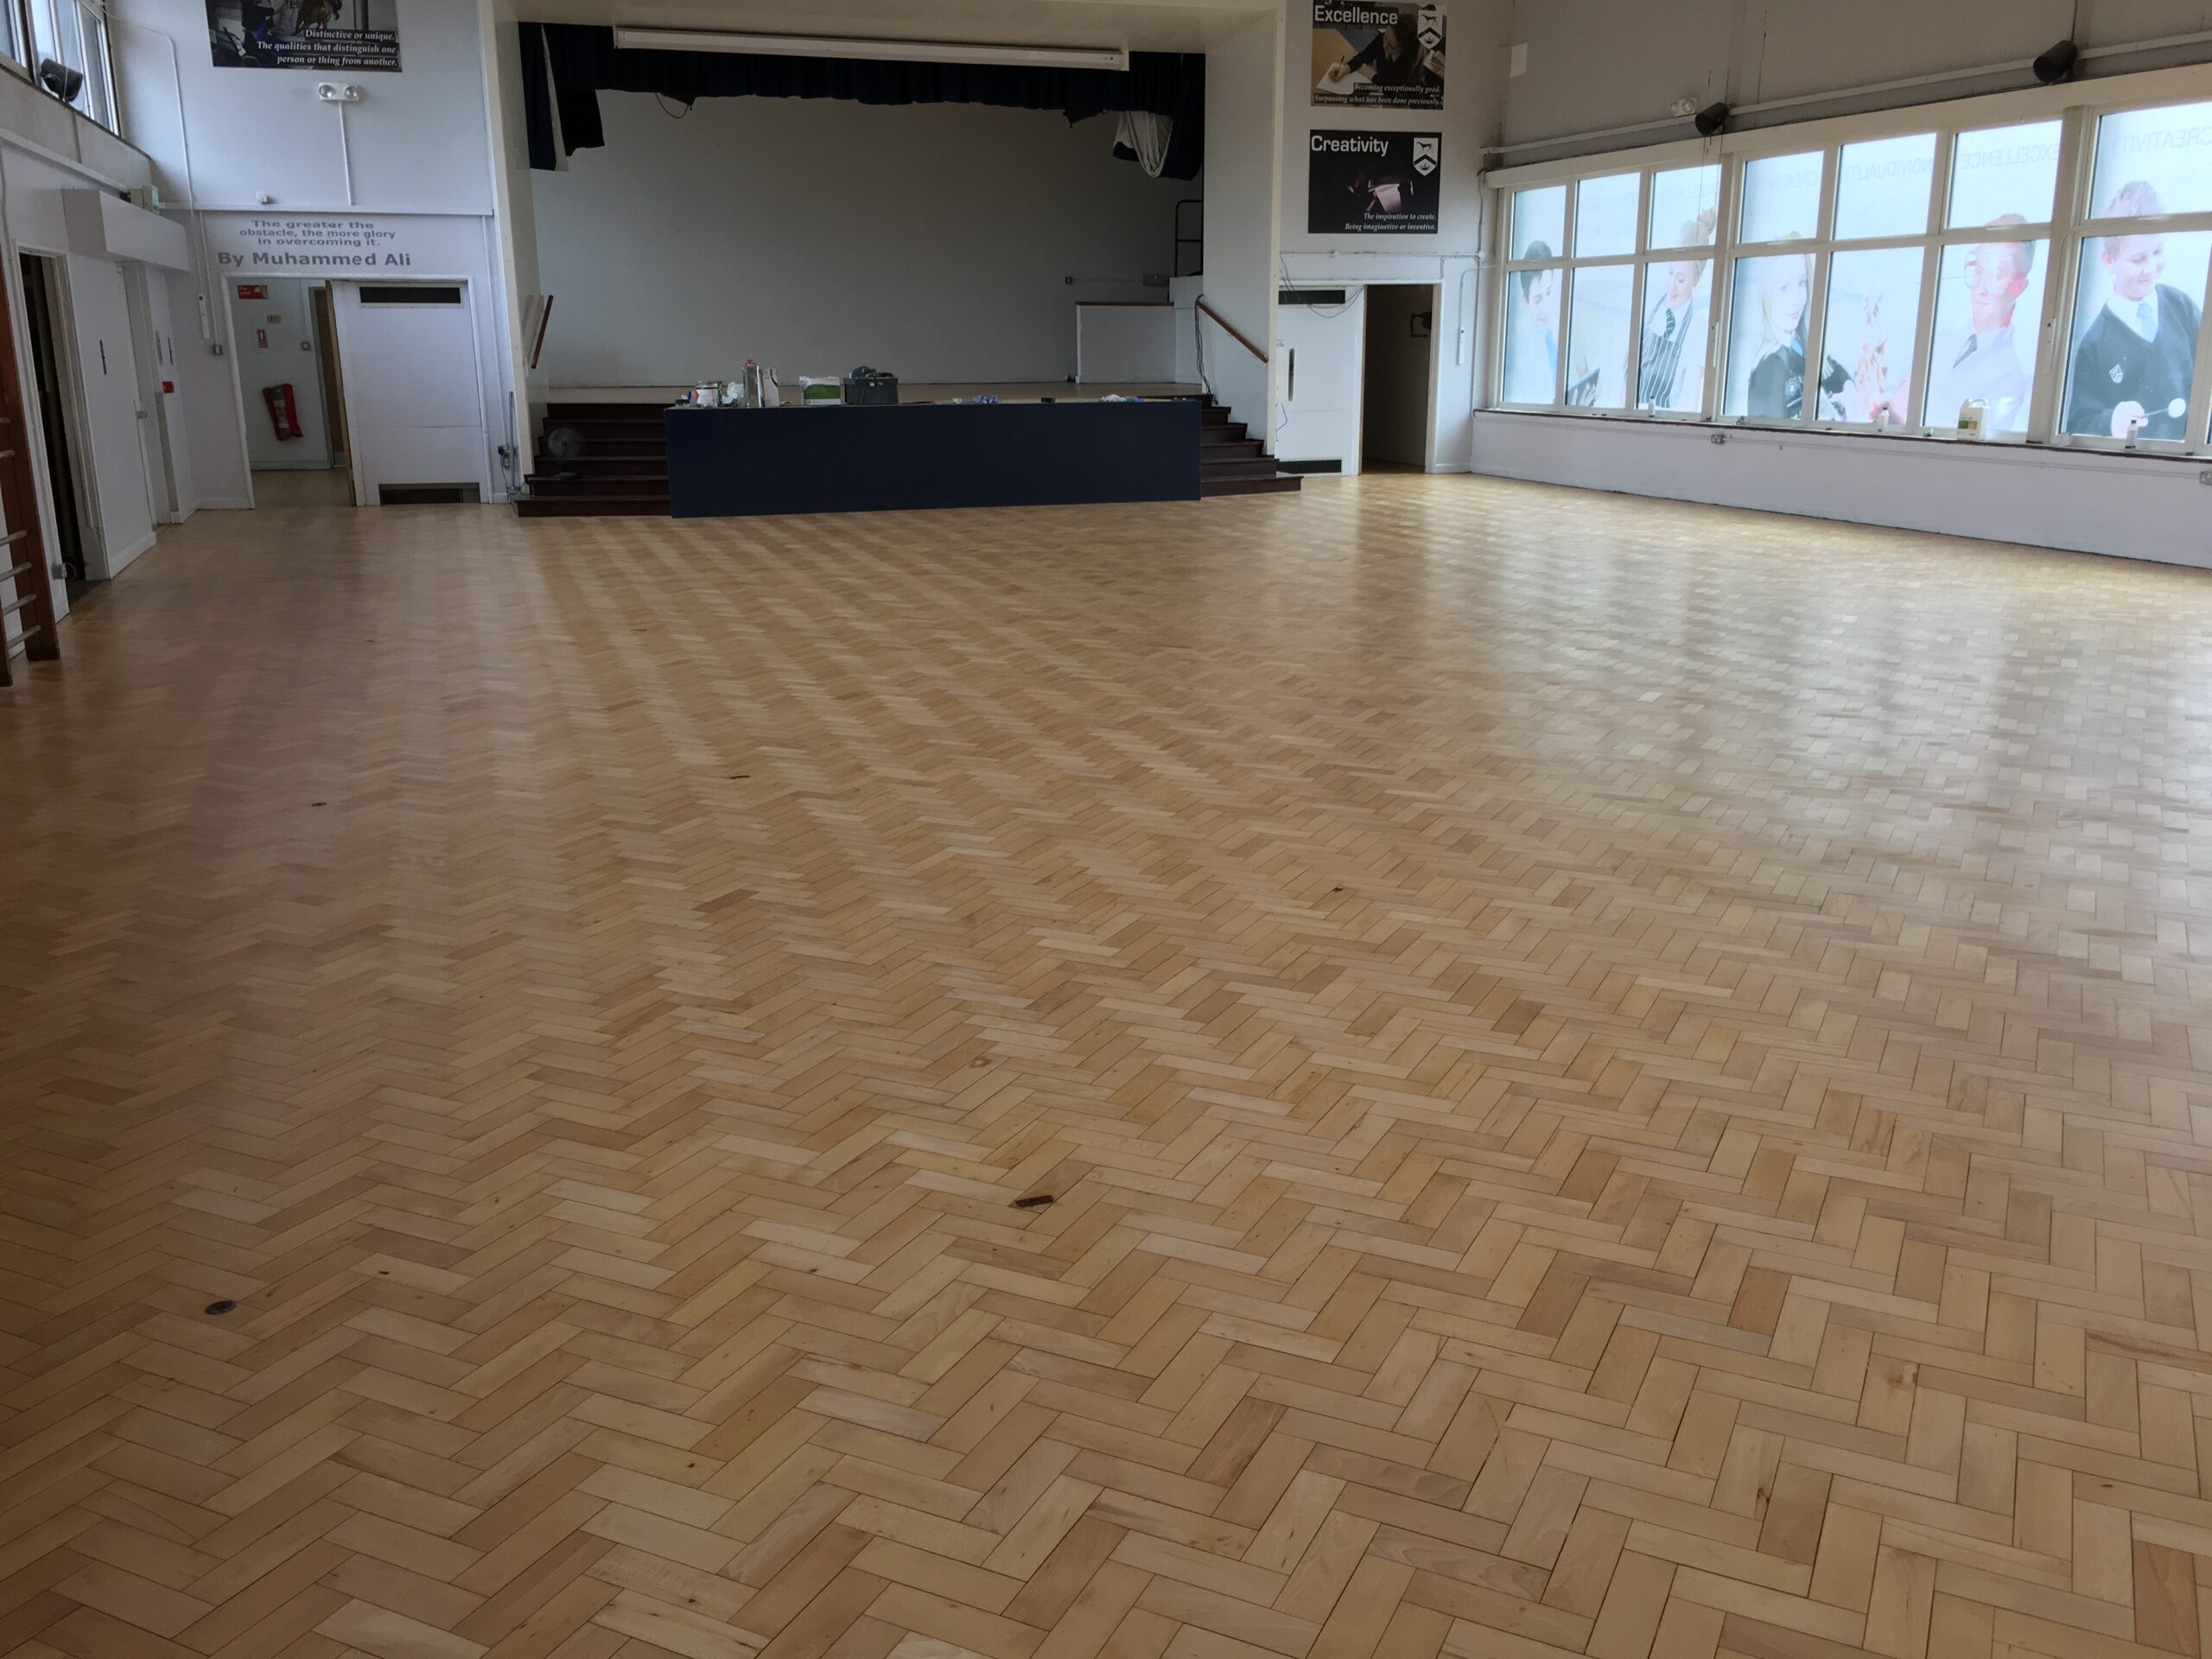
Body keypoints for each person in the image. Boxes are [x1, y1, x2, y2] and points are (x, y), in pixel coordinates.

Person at [2063, 181, 2202, 442]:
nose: (2150, 268)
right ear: (2109, 261)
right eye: (2138, 259)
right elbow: (2079, 422)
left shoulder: (2182, 307)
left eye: (2158, 251)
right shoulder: (2094, 345)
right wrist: (2110, 422)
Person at [1924, 217, 2035, 432]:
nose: (1981, 288)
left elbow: (1968, 437)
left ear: (2019, 287)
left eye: (1997, 275)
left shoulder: (2010, 378)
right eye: (1978, 271)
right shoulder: (1942, 338)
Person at [1638, 210, 1714, 410]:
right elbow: (1626, 374)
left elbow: (1689, 399)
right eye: (1670, 273)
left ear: (1696, 280)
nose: (1672, 287)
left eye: (1681, 280)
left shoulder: (1697, 331)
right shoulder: (1647, 312)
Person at [1505, 245, 1559, 403]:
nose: (1545, 307)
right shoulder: (1520, 345)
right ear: (1526, 301)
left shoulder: (1558, 333)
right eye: (1537, 299)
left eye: (1549, 293)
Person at [1331, 14, 1431, 93]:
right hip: (1381, 84)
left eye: (1391, 46)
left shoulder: (1409, 61)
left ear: (1404, 49)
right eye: (1385, 37)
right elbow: (1365, 56)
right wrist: (1344, 70)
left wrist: (1372, 75)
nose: (1384, 45)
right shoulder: (1384, 39)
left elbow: (1394, 92)